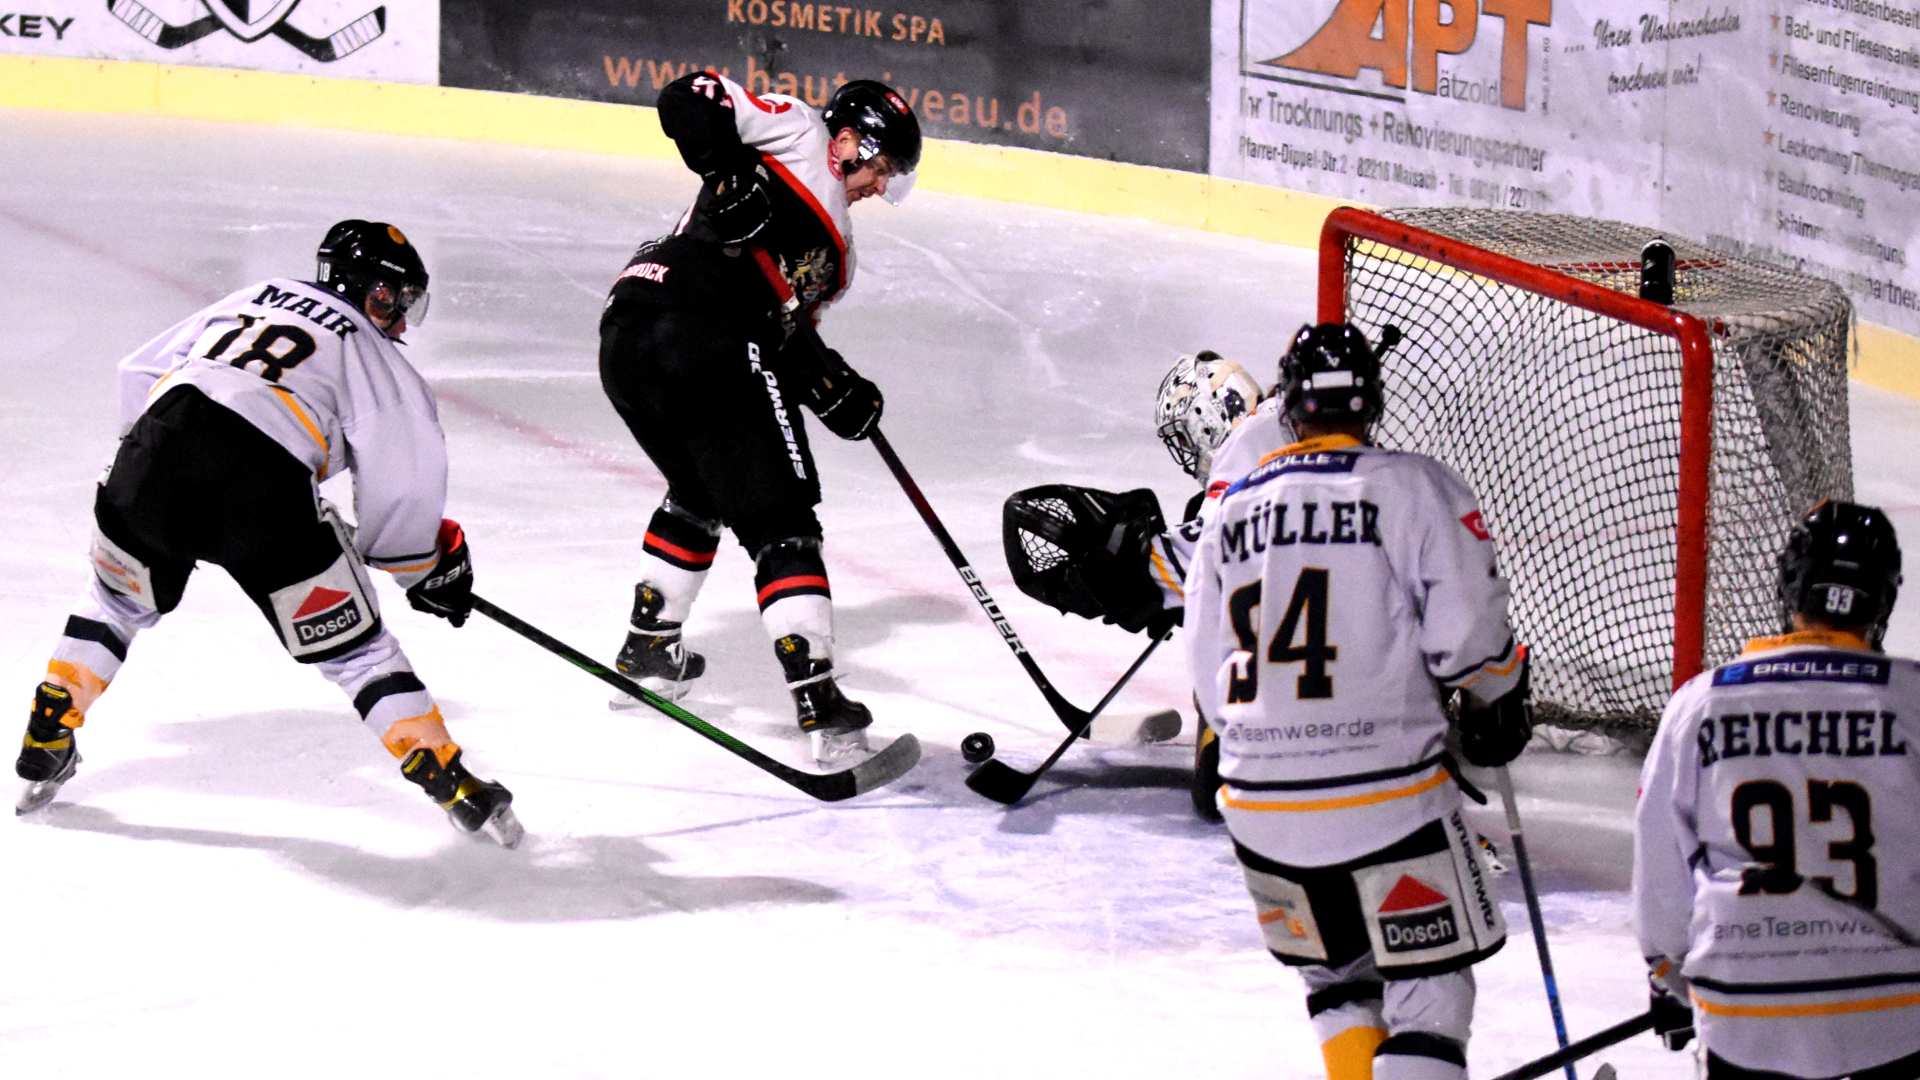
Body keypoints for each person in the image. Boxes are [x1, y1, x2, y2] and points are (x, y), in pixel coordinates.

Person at [14, 220, 521, 847]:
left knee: (115, 601)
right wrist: (421, 566)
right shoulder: (370, 349)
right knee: (355, 653)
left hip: (148, 457)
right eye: (398, 300)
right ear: (374, 293)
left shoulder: (260, 294)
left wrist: (149, 465)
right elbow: (405, 476)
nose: (403, 322)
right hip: (257, 492)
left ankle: (48, 729)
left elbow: (138, 369)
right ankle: (452, 781)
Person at [1183, 323, 1532, 1080]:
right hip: (1388, 802)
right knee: (1430, 985)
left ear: (1291, 406)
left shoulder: (1233, 508)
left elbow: (1205, 667)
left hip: (1261, 809)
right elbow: (1470, 638)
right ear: (1371, 402)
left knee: (1339, 980)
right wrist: (1499, 697)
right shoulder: (1416, 486)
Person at [598, 70, 920, 761]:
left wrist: (833, 385)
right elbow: (686, 97)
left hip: (630, 330)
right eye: (883, 169)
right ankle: (820, 703)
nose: (879, 189)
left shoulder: (839, 258)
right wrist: (728, 169)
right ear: (851, 141)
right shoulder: (797, 129)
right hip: (697, 322)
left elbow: (780, 329)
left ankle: (649, 649)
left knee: (699, 492)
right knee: (784, 525)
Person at [1634, 500, 1920, 1080]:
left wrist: (1668, 973)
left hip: (1745, 1015)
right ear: (1883, 601)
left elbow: (1660, 862)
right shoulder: (1912, 700)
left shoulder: (1701, 702)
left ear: (1789, 589)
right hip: (1892, 1016)